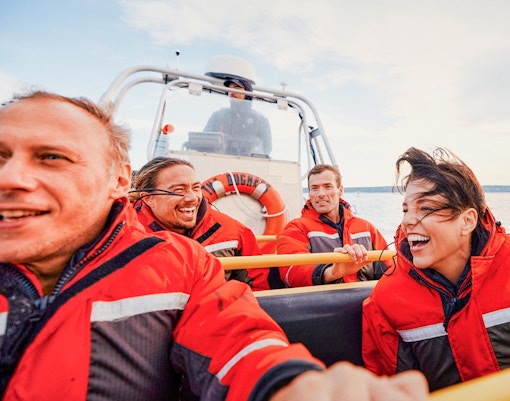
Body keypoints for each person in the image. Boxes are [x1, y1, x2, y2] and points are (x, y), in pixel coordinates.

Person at [0, 91, 428, 401]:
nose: (11, 177)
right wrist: (332, 270)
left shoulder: (181, 266)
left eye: (51, 157)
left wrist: (289, 386)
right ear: (138, 193)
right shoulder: (293, 230)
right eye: (1, 155)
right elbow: (288, 270)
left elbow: (240, 340)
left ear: (117, 180)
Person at [362, 147, 510, 391]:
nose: (408, 221)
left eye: (426, 208)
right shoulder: (386, 302)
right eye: (406, 209)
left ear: (467, 221)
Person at [129, 156, 280, 291]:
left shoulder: (233, 232)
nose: (192, 198)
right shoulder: (124, 234)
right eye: (178, 190)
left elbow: (258, 288)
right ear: (148, 198)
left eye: (195, 188)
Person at [276, 164, 392, 287]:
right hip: (322, 302)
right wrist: (331, 273)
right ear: (309, 193)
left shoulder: (367, 228)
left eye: (327, 187)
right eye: (314, 188)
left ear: (340, 190)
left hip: (365, 299)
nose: (321, 193)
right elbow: (291, 273)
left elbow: (390, 267)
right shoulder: (296, 228)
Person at [204, 77, 272, 157]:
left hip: (248, 164)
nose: (232, 92)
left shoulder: (260, 120)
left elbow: (266, 148)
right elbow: (204, 140)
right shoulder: (217, 116)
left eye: (237, 88)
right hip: (219, 161)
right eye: (230, 89)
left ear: (248, 93)